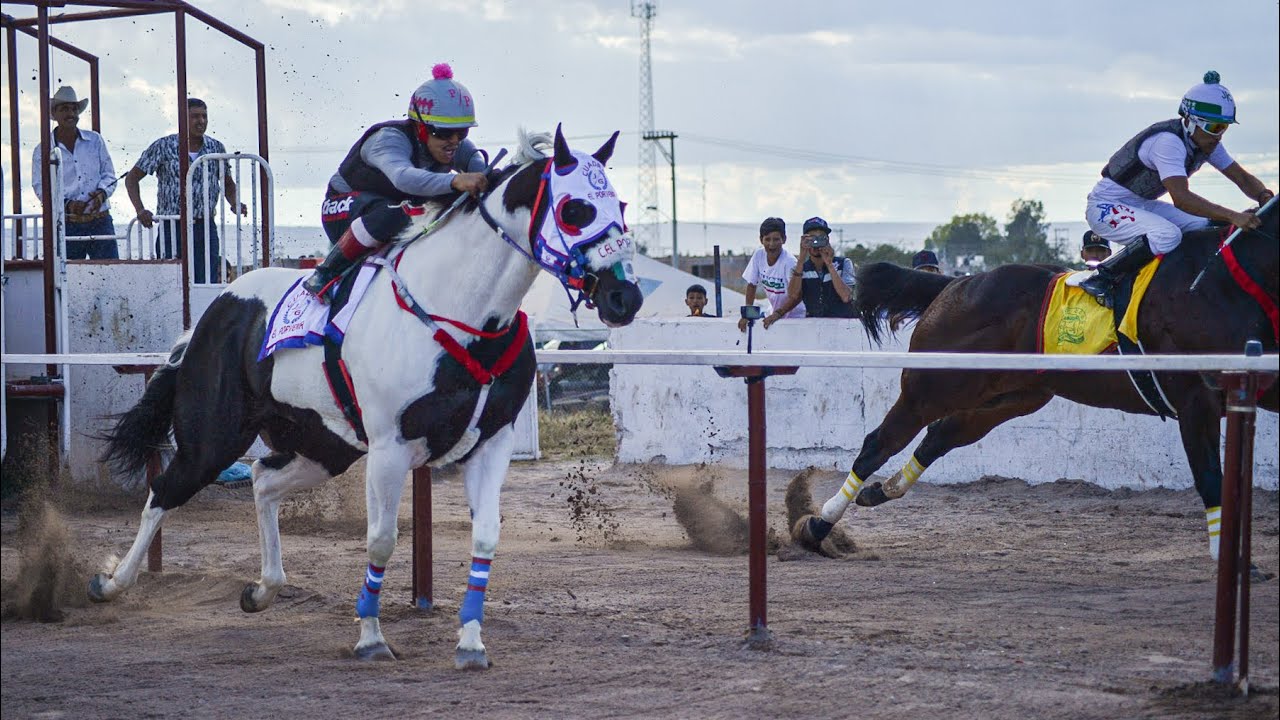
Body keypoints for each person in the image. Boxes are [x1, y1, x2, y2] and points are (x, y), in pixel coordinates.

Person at [1080, 71, 1274, 307]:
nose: (1219, 135)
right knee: (1167, 235)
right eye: (1214, 127)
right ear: (1192, 121)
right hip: (1105, 205)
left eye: (1224, 127)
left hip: (1140, 204)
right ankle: (1104, 276)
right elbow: (1182, 199)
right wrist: (1234, 215)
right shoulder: (1168, 142)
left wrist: (1266, 198)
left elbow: (1242, 178)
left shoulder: (1206, 142)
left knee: (1212, 225)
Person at [303, 63, 490, 299]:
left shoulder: (455, 146)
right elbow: (403, 178)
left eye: (462, 132)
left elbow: (478, 168)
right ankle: (324, 274)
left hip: (394, 208)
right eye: (443, 133)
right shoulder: (388, 139)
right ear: (420, 128)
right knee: (395, 213)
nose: (454, 141)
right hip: (344, 207)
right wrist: (454, 182)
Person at [125, 97, 246, 283]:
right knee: (170, 283)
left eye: (204, 116)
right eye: (195, 116)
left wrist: (235, 202)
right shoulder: (163, 146)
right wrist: (140, 210)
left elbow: (228, 184)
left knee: (207, 281)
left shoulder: (216, 148)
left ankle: (203, 313)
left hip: (204, 226)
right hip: (172, 227)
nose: (201, 121)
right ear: (183, 119)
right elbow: (132, 179)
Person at [31, 86, 120, 259]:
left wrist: (101, 194)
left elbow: (109, 175)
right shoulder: (42, 149)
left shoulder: (95, 140)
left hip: (100, 221)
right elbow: (40, 187)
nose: (71, 113)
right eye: (64, 108)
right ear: (54, 114)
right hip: (66, 223)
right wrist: (67, 204)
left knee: (109, 275)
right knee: (67, 278)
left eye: (74, 108)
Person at [763, 216, 855, 327]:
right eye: (811, 239)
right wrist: (801, 258)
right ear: (804, 241)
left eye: (820, 238)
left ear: (827, 240)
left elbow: (846, 297)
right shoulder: (801, 269)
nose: (816, 243)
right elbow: (793, 295)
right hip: (815, 327)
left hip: (844, 326)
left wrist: (830, 265)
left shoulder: (843, 263)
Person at [738, 216, 803, 331]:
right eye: (767, 239)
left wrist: (778, 314)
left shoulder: (790, 263)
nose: (771, 244)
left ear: (784, 239)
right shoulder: (758, 255)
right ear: (761, 240)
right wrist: (748, 314)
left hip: (797, 317)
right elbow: (752, 285)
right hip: (776, 315)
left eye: (776, 239)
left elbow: (797, 296)